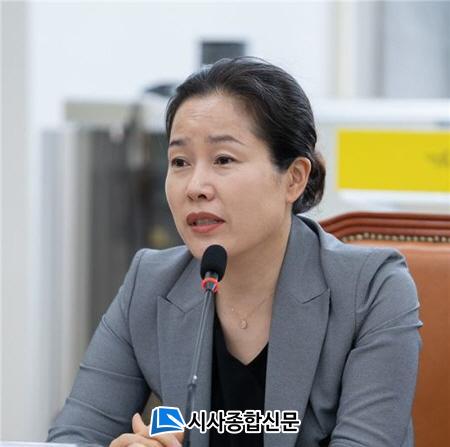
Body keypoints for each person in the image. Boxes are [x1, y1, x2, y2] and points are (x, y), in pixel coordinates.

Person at [47, 57, 422, 447]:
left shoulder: (372, 290)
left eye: (223, 160)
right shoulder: (151, 283)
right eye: (180, 162)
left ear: (294, 178)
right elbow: (74, 436)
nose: (195, 187)